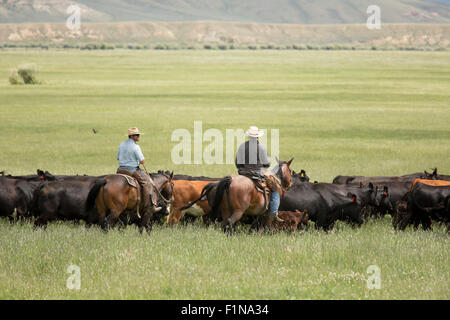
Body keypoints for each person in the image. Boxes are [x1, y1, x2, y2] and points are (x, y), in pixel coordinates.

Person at [235, 126, 283, 222]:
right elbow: (267, 163)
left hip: (243, 172)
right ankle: (273, 213)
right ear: (257, 136)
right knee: (276, 187)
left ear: (249, 136)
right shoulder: (261, 147)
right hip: (257, 173)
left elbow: (238, 163)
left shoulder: (242, 146)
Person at [116, 127, 159, 212]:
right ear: (132, 136)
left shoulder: (121, 144)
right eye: (137, 135)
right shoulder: (136, 147)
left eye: (138, 135)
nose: (138, 136)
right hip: (132, 170)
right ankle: (147, 206)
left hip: (120, 170)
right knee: (145, 184)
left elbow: (118, 158)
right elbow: (142, 161)